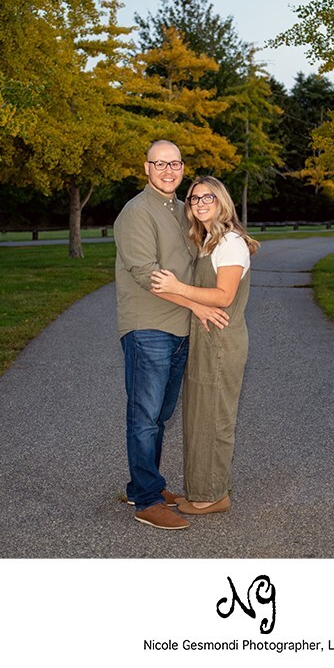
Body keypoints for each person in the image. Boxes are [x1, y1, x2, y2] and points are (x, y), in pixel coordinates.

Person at [114, 141, 229, 530]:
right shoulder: (136, 212)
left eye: (175, 163)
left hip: (179, 329)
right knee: (144, 416)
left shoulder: (182, 211)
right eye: (160, 163)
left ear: (182, 168)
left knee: (159, 415)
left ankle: (143, 484)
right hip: (148, 326)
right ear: (146, 167)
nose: (168, 170)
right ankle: (146, 500)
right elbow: (148, 273)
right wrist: (197, 305)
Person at [151, 176, 259, 515]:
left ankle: (214, 495)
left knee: (215, 419)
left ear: (222, 200)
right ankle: (198, 489)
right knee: (198, 417)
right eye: (193, 198)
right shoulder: (208, 240)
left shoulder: (230, 242)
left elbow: (224, 296)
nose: (199, 202)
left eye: (207, 196)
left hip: (222, 343)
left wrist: (179, 288)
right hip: (204, 341)